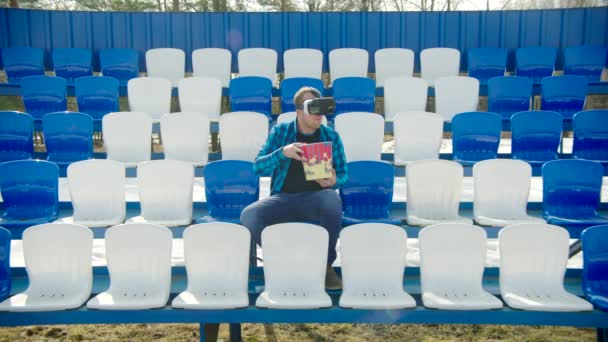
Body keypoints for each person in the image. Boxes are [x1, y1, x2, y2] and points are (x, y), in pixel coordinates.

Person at [240, 87, 348, 290]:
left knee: (332, 199)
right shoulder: (281, 132)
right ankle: (288, 261)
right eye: (312, 108)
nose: (319, 114)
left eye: (321, 108)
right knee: (249, 215)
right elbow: (257, 166)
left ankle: (324, 267)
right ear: (299, 111)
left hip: (316, 200)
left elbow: (343, 173)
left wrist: (334, 181)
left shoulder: (331, 136)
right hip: (283, 200)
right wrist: (283, 152)